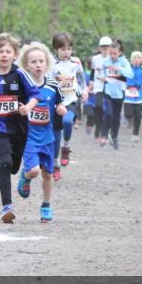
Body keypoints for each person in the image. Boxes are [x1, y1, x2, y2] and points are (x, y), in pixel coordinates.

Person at [0, 33, 39, 224]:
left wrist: (27, 107)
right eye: (0, 51)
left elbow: (35, 94)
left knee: (13, 167)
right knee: (5, 162)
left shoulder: (20, 75)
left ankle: (2, 177)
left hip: (19, 127)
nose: (4, 55)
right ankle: (7, 207)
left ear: (15, 55)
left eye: (8, 51)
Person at [15, 41, 67, 223]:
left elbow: (60, 102)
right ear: (26, 65)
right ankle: (26, 176)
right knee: (35, 171)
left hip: (48, 137)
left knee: (48, 174)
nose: (38, 65)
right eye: (33, 62)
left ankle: (46, 205)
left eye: (41, 61)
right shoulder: (23, 86)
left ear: (47, 63)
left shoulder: (53, 85)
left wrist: (61, 108)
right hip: (29, 137)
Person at [49, 33, 86, 180]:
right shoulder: (51, 63)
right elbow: (48, 84)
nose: (66, 52)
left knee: (68, 121)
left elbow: (82, 79)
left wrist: (84, 91)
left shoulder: (76, 62)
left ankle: (67, 147)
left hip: (71, 101)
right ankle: (56, 165)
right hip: (56, 104)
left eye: (69, 49)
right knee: (55, 139)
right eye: (63, 49)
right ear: (56, 49)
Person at [100, 40, 133, 149]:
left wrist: (119, 68)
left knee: (116, 117)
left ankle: (114, 137)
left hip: (119, 92)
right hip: (108, 90)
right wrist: (103, 78)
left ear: (119, 52)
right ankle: (104, 134)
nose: (113, 56)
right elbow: (102, 73)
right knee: (108, 113)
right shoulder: (106, 62)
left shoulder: (124, 61)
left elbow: (130, 75)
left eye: (115, 53)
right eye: (111, 53)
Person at [123, 50, 142, 142]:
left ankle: (135, 134)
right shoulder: (127, 69)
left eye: (139, 58)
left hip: (139, 95)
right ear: (131, 60)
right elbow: (121, 78)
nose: (136, 60)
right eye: (134, 58)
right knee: (128, 113)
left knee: (138, 115)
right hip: (128, 94)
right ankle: (129, 119)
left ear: (141, 60)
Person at [90, 36, 111, 143]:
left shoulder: (114, 59)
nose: (105, 49)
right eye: (103, 47)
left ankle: (104, 131)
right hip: (98, 87)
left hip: (110, 88)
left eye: (107, 47)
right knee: (98, 107)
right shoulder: (95, 59)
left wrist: (107, 79)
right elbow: (93, 72)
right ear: (99, 47)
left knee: (108, 111)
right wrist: (91, 83)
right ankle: (98, 126)